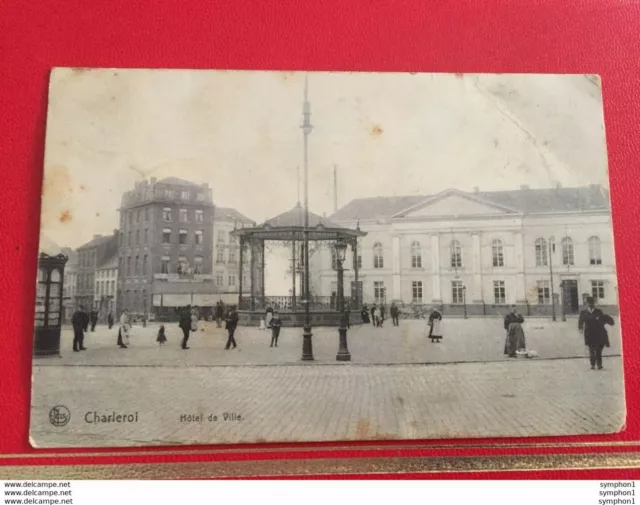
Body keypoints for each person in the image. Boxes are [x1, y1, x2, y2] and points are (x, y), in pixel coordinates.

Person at [579, 296, 614, 370]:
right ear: (587, 304)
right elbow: (580, 322)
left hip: (598, 333)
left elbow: (603, 319)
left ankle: (599, 364)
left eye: (592, 303)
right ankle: (592, 364)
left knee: (598, 350)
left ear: (594, 304)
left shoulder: (599, 311)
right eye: (589, 303)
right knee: (591, 350)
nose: (591, 305)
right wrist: (580, 328)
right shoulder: (583, 312)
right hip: (589, 334)